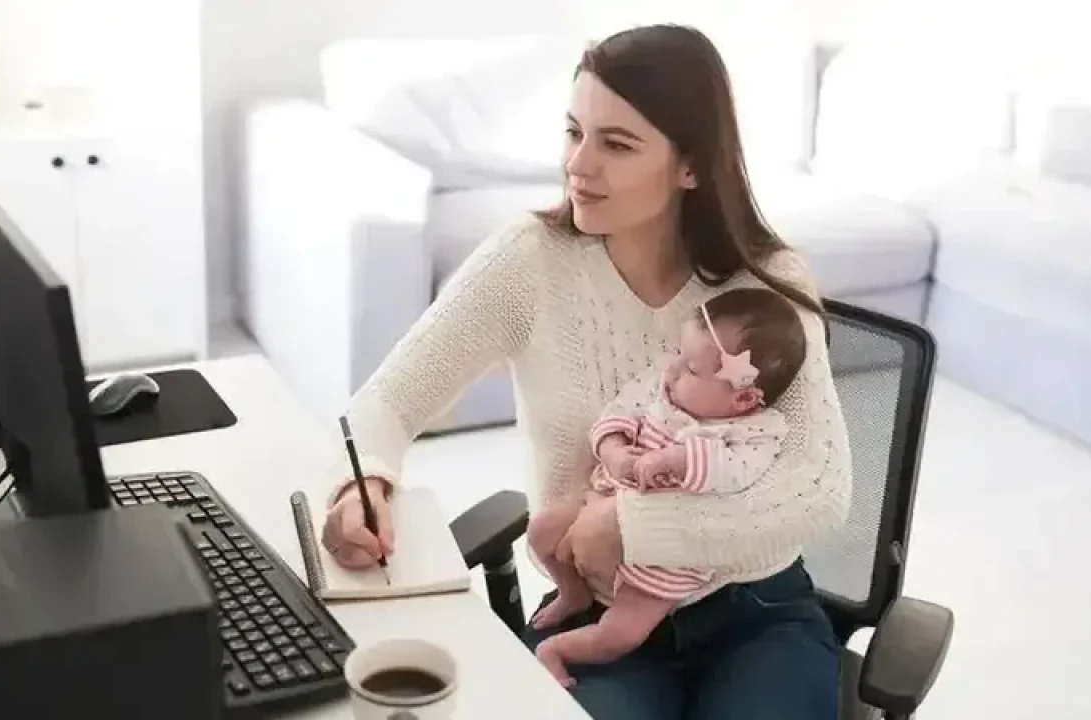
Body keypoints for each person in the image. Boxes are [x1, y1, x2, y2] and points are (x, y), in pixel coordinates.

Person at [320, 23, 852, 720]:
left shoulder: (769, 282)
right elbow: (388, 401)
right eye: (574, 132)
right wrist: (367, 484)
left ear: (690, 164)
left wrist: (634, 523)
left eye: (617, 144)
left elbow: (819, 489)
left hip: (759, 613)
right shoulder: (529, 261)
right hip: (596, 613)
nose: (579, 164)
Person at [527, 287, 807, 688]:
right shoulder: (662, 392)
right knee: (541, 530)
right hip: (602, 506)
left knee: (620, 635)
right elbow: (615, 417)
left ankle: (556, 651)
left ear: (743, 398)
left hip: (666, 563)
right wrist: (615, 453)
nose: (672, 369)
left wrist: (676, 460)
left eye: (692, 368)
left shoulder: (754, 431)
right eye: (678, 352)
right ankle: (573, 591)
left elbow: (737, 473)